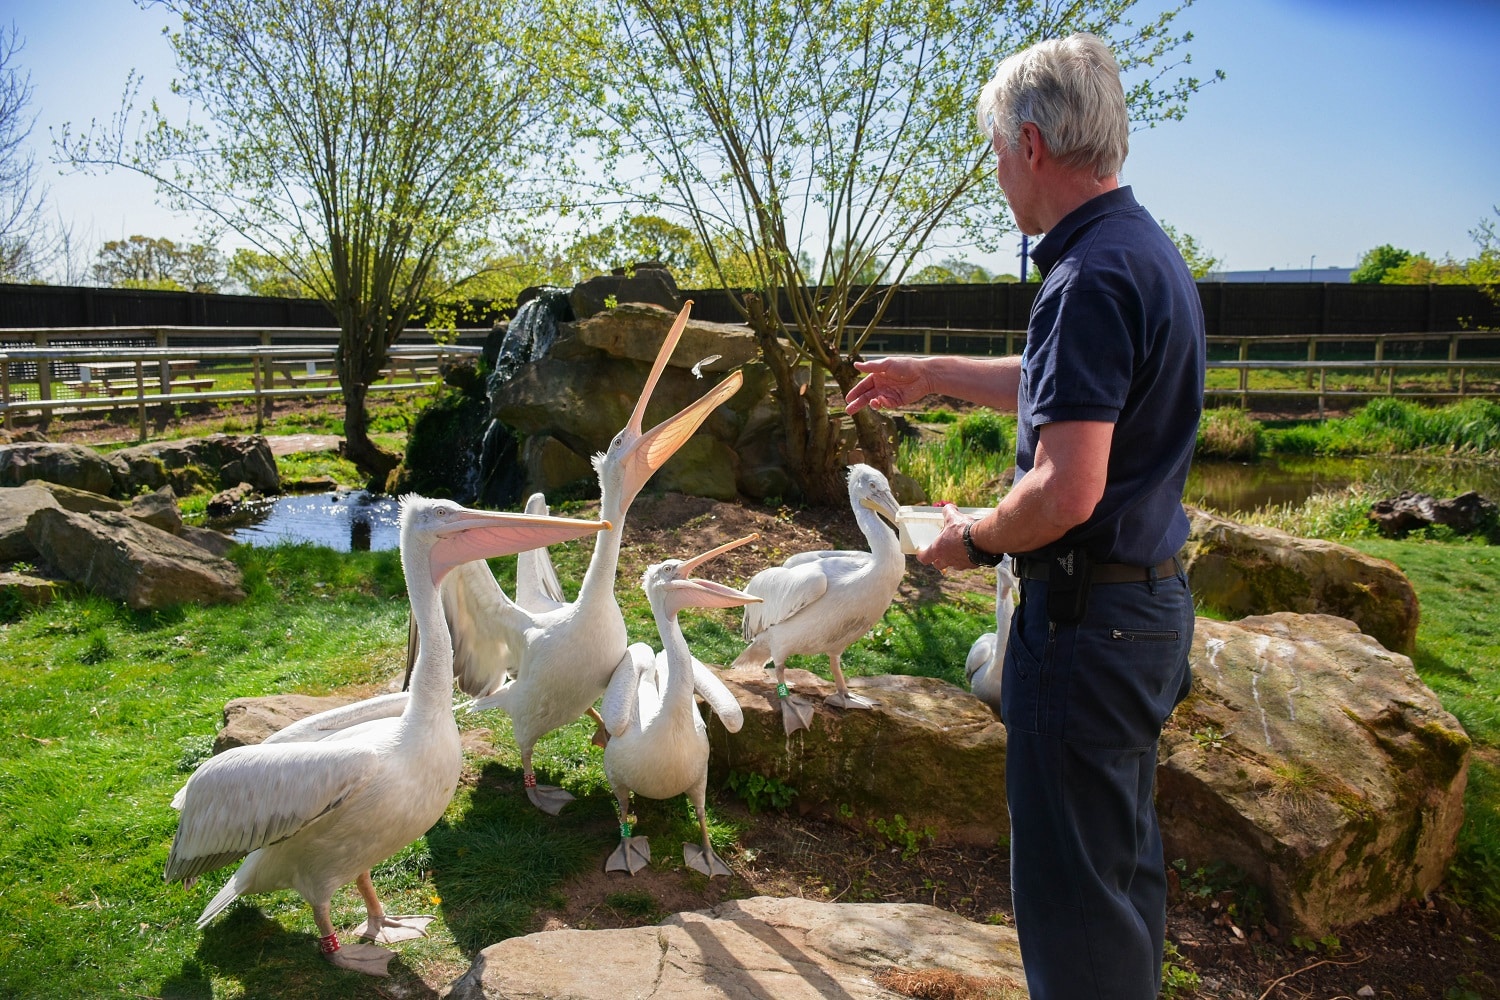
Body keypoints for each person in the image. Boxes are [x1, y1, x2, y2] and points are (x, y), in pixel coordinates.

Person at [844, 32, 1205, 1000]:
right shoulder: (1139, 252)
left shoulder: (1084, 279)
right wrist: (934, 375)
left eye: (997, 151)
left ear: (1033, 144)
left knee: (1072, 901)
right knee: (1115, 872)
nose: (997, 173)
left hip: (1087, 630)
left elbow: (1064, 491)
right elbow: (1070, 387)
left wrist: (968, 540)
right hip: (1144, 613)